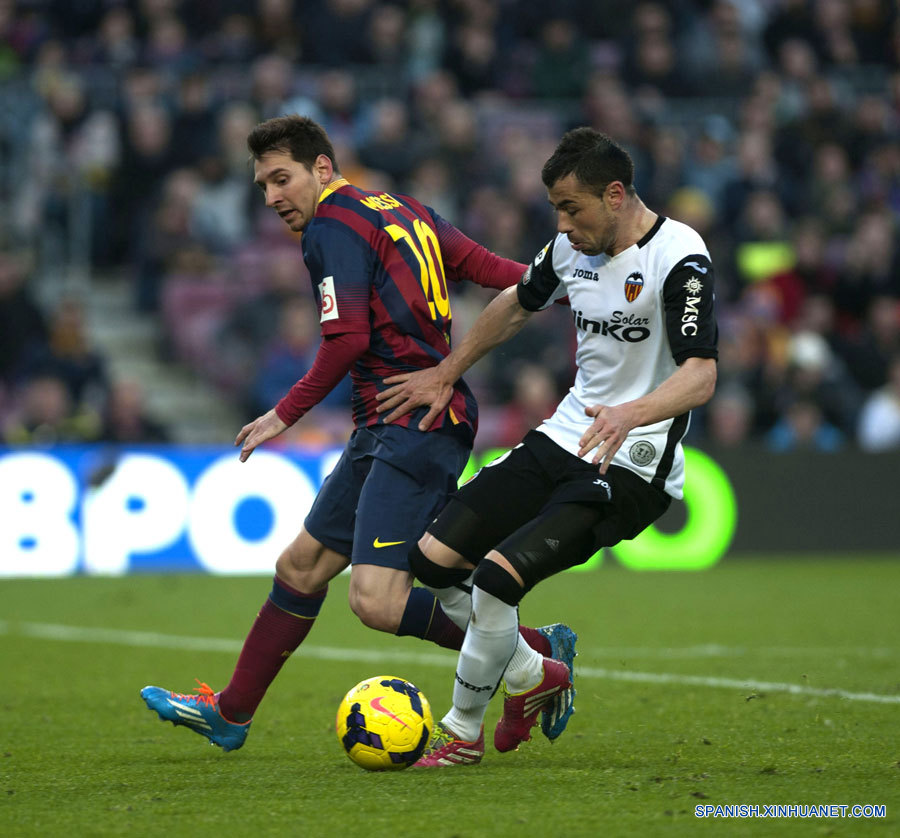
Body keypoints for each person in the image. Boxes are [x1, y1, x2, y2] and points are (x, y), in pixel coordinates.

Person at [141, 114, 575, 752]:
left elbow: (347, 339)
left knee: (375, 599)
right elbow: (487, 267)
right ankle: (231, 712)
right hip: (390, 423)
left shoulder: (331, 225)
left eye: (282, 179)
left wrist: (282, 413)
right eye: (262, 187)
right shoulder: (403, 209)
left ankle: (536, 658)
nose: (273, 198)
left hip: (417, 422)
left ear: (322, 167)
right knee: (302, 564)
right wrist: (571, 290)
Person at [376, 127, 719, 765]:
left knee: (497, 580)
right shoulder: (569, 249)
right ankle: (536, 673)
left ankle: (460, 734)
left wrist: (631, 413)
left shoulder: (679, 255)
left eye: (572, 208)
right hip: (565, 437)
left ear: (615, 195)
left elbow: (702, 374)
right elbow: (515, 303)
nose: (562, 224)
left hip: (633, 462)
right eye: (555, 210)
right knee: (433, 562)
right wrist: (449, 371)